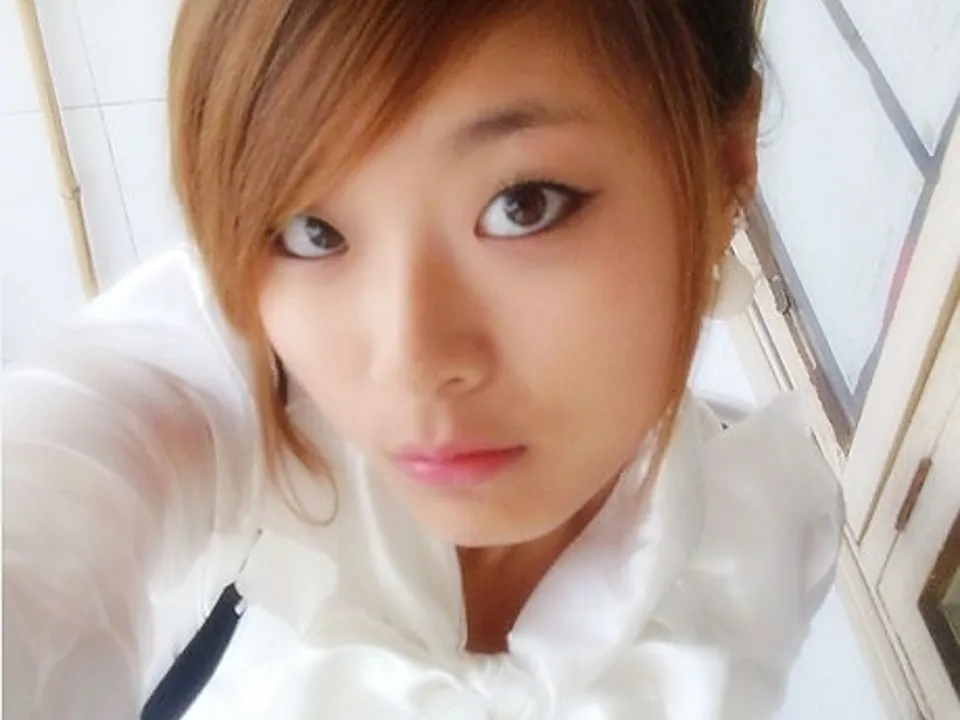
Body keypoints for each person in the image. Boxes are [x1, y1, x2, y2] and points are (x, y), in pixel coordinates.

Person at [2, 1, 844, 718]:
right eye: (311, 233)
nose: (410, 362)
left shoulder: (767, 534)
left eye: (523, 205)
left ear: (725, 170)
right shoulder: (224, 421)